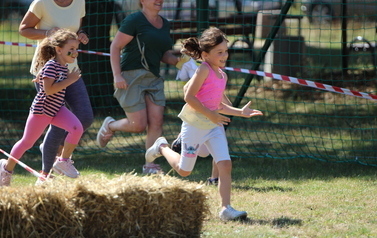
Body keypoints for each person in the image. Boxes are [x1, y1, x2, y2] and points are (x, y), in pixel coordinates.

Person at [145, 27, 263, 221]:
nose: (224, 55)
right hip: (194, 126)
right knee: (185, 170)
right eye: (220, 52)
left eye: (226, 51)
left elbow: (219, 105)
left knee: (225, 164)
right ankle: (162, 146)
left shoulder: (222, 75)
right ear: (206, 55)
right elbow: (188, 96)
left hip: (213, 127)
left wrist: (240, 112)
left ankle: (225, 208)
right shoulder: (203, 70)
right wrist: (211, 115)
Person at [96, 0, 188, 174]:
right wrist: (117, 75)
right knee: (138, 125)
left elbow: (162, 53)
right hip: (131, 77)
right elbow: (115, 46)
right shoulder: (134, 20)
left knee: (157, 122)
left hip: (153, 78)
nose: (159, 1)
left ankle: (150, 165)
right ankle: (111, 125)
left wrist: (179, 62)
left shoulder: (164, 23)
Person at [18, 0, 93, 179]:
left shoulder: (79, 2)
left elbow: (74, 31)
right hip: (48, 72)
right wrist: (47, 33)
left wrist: (80, 35)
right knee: (55, 119)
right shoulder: (41, 3)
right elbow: (23, 29)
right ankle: (45, 174)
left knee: (85, 116)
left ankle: (57, 155)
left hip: (70, 71)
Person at [0, 29, 84, 186]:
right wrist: (70, 80)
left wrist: (45, 77)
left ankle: (63, 161)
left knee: (76, 128)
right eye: (71, 49)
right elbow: (49, 90)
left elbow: (48, 79)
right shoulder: (53, 65)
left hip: (56, 108)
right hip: (43, 111)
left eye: (76, 49)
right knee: (27, 143)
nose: (75, 53)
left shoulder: (63, 66)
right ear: (59, 50)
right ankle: (6, 169)